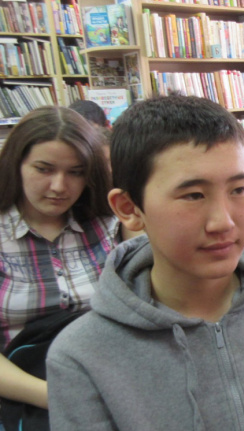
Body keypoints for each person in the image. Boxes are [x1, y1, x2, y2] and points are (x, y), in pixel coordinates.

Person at [46, 95, 244, 431]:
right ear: (129, 208)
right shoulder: (82, 355)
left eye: (239, 189)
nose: (223, 222)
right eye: (193, 195)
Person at [0, 106, 117, 412]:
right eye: (44, 169)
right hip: (24, 397)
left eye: (75, 172)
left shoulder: (108, 223)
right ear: (16, 164)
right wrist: (58, 397)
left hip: (111, 382)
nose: (59, 187)